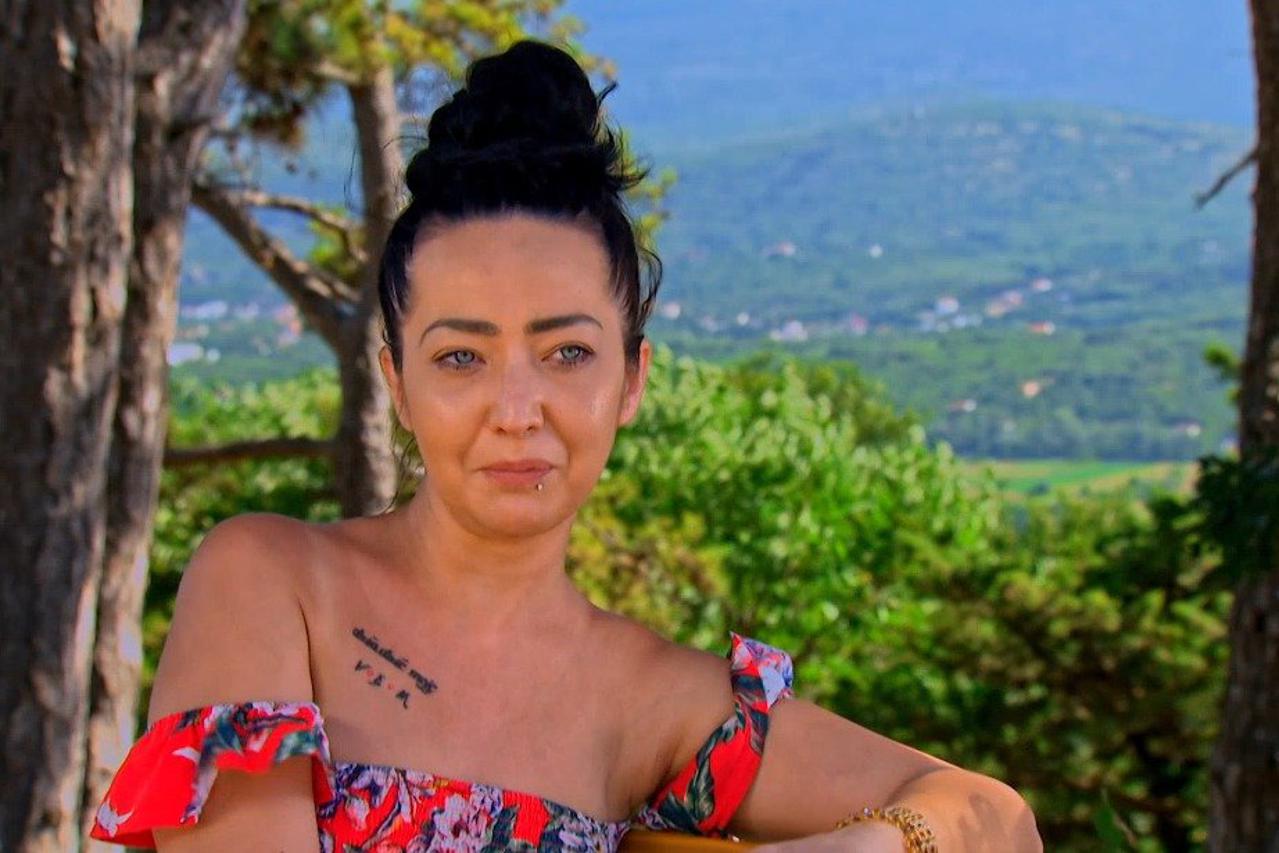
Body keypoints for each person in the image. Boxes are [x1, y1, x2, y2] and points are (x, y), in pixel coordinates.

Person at [88, 39, 1041, 852]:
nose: (517, 409)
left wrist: (870, 842)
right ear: (397, 384)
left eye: (567, 353)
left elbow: (997, 819)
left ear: (631, 381)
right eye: (460, 357)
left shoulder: (649, 698)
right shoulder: (275, 584)